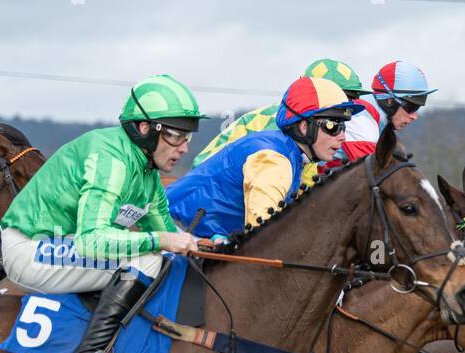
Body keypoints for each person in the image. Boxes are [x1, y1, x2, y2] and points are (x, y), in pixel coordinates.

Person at [0, 74, 208, 353]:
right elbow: (92, 242)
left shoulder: (148, 173)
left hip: (62, 249)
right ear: (144, 129)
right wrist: (162, 241)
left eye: (187, 138)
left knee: (163, 255)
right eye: (176, 135)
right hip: (31, 249)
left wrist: (212, 244)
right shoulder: (111, 158)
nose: (184, 148)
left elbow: (170, 232)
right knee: (150, 256)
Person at [167, 76, 357, 239]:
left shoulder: (294, 157)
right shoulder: (274, 159)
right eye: (333, 125)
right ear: (304, 127)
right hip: (172, 228)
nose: (342, 136)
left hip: (198, 233)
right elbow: (262, 236)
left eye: (343, 126)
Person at [193, 59, 366, 183]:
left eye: (353, 100)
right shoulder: (281, 125)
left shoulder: (311, 129)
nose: (348, 108)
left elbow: (303, 183)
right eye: (344, 98)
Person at [338, 60, 435, 162]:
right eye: (412, 107)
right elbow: (377, 172)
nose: (414, 116)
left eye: (418, 108)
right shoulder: (361, 117)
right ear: (390, 101)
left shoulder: (381, 122)